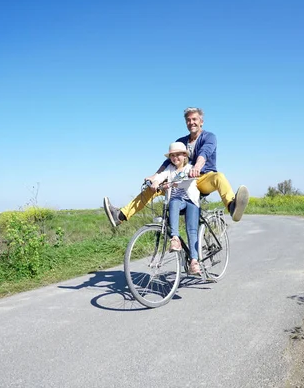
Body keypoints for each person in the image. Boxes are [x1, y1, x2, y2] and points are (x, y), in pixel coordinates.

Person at [103, 107, 249, 227]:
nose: (191, 122)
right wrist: (155, 176)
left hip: (202, 179)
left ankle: (232, 207)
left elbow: (205, 152)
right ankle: (120, 215)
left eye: (194, 119)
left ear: (201, 122)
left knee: (219, 177)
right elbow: (168, 163)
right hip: (181, 180)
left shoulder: (209, 137)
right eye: (188, 120)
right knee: (152, 189)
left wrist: (197, 167)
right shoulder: (181, 142)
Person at [149, 141, 201, 274]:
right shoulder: (170, 170)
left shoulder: (189, 168)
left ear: (184, 156)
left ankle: (194, 261)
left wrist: (172, 184)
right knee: (173, 201)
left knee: (192, 230)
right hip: (177, 202)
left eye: (178, 155)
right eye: (172, 155)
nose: (175, 158)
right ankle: (175, 238)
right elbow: (161, 176)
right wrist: (156, 181)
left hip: (190, 200)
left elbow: (186, 179)